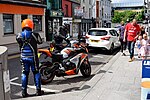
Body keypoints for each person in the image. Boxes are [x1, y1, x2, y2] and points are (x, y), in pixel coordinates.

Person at [16, 19, 43, 97]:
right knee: (36, 72)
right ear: (31, 25)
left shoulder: (18, 35)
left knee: (24, 73)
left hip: (23, 57)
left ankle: (24, 92)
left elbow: (18, 41)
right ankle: (38, 90)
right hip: (33, 58)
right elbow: (40, 42)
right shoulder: (34, 34)